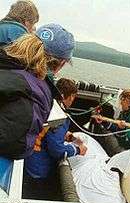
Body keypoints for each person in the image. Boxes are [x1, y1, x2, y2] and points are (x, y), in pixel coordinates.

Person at [0, 23, 75, 159]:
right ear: (62, 63)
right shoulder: (34, 92)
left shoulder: (6, 62)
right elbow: (12, 143)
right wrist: (30, 142)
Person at [23, 78, 87, 200]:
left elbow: (46, 131)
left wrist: (68, 136)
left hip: (29, 160)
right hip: (39, 169)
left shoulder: (48, 106)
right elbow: (56, 149)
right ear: (69, 96)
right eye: (73, 96)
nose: (73, 100)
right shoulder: (59, 117)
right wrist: (78, 150)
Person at [94, 88, 130, 153]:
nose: (121, 102)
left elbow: (125, 142)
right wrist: (104, 122)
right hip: (119, 141)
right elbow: (115, 127)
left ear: (129, 102)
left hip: (125, 150)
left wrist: (121, 130)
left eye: (123, 99)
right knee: (101, 128)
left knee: (106, 134)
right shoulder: (126, 112)